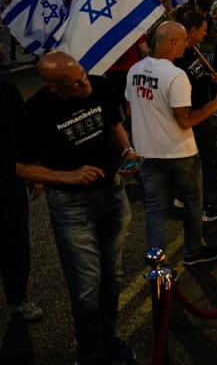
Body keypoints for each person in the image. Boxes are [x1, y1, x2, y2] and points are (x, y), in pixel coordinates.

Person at [16, 52, 136, 364]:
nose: (84, 84)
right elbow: (23, 167)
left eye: (83, 74)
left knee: (114, 275)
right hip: (72, 206)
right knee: (85, 285)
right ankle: (90, 352)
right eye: (74, 83)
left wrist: (128, 151)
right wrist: (67, 175)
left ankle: (108, 338)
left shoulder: (99, 85)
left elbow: (113, 125)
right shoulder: (35, 111)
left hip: (112, 191)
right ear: (54, 88)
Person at [126, 21, 217, 266]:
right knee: (193, 201)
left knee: (155, 210)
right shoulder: (176, 76)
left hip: (147, 152)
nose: (188, 44)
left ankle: (158, 264)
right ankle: (192, 251)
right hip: (179, 151)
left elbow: (130, 109)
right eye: (184, 40)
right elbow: (185, 120)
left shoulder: (135, 70)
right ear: (174, 42)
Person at [172, 10, 217, 222]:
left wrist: (207, 77)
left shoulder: (193, 50)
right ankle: (197, 204)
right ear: (192, 31)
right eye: (203, 31)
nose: (205, 35)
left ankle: (185, 195)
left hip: (203, 113)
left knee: (204, 158)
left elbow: (195, 76)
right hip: (192, 116)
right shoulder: (176, 57)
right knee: (196, 161)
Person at [1, 80, 42, 322]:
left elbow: (23, 130)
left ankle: (18, 298)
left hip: (7, 175)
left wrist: (32, 171)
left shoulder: (6, 89)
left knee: (15, 239)